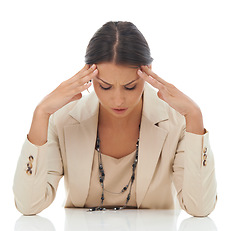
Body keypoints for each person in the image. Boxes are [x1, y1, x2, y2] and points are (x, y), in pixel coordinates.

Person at [13, 21, 217, 216]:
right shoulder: (63, 120)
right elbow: (28, 205)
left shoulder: (177, 122)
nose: (118, 99)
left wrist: (194, 116)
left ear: (148, 73)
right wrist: (40, 114)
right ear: (89, 76)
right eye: (105, 86)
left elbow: (199, 208)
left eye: (130, 86)